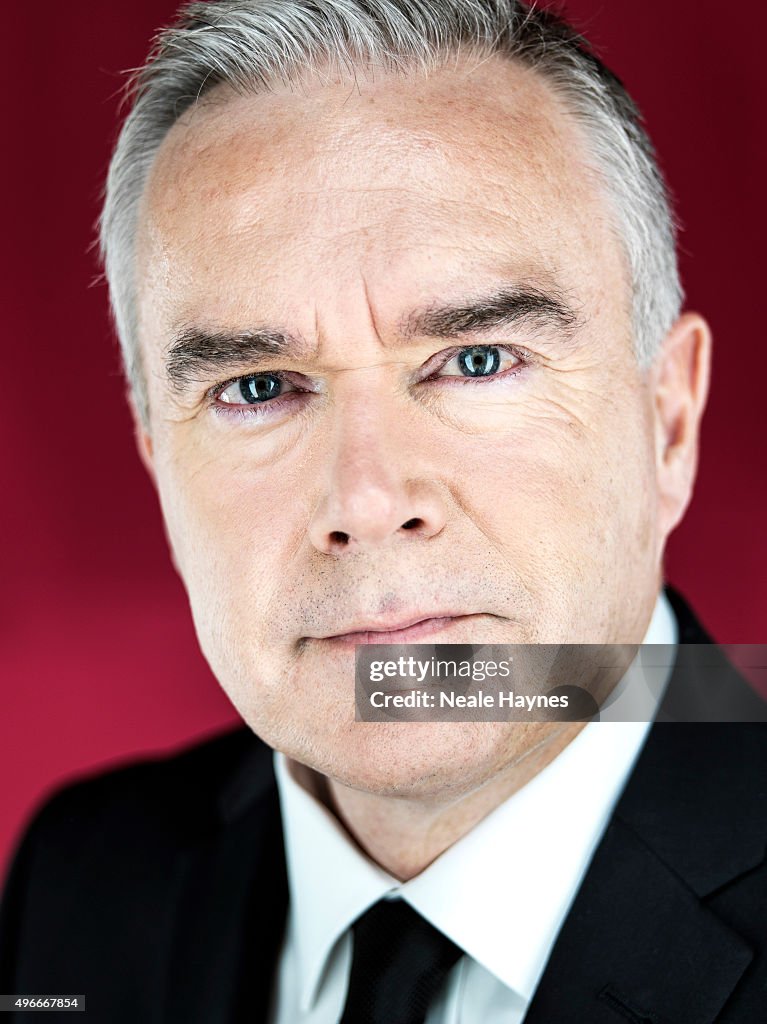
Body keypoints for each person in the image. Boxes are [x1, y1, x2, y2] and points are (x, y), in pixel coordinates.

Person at [1, 1, 765, 1021]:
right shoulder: (84, 878)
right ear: (159, 466)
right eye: (259, 387)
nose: (366, 501)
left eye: (475, 362)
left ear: (666, 422)